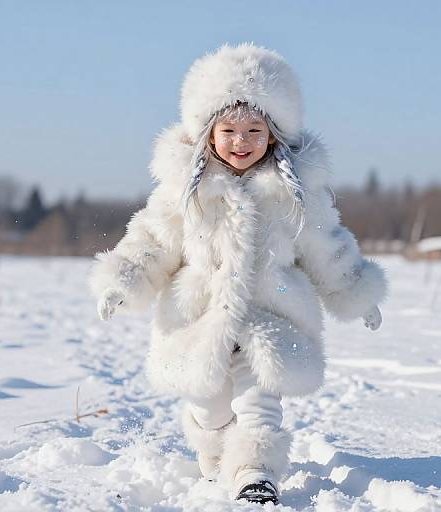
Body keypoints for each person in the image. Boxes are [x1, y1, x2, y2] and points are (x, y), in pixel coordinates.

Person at [89, 43, 387, 505]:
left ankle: (255, 473)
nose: (241, 141)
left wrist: (355, 291)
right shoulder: (184, 194)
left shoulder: (295, 195)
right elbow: (150, 242)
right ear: (208, 133)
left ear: (274, 134)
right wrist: (122, 280)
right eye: (229, 130)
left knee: (259, 402)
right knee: (209, 409)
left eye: (254, 130)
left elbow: (327, 246)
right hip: (200, 321)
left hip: (274, 314)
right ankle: (215, 451)